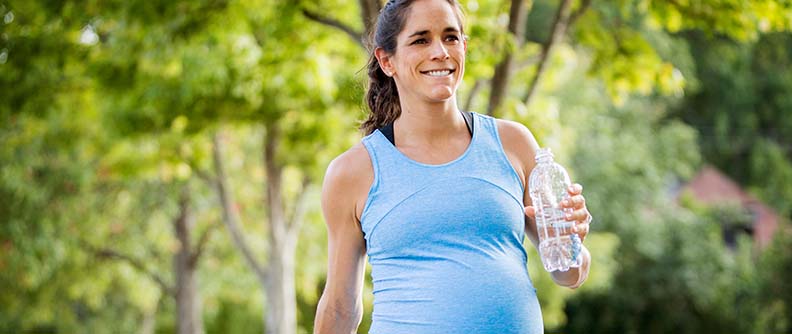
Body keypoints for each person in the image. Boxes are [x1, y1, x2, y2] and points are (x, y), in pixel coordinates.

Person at [313, 0, 593, 333]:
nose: (441, 51)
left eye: (450, 37)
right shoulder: (353, 172)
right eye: (421, 40)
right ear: (387, 61)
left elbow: (569, 274)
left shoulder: (513, 142)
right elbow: (340, 307)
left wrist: (571, 237)